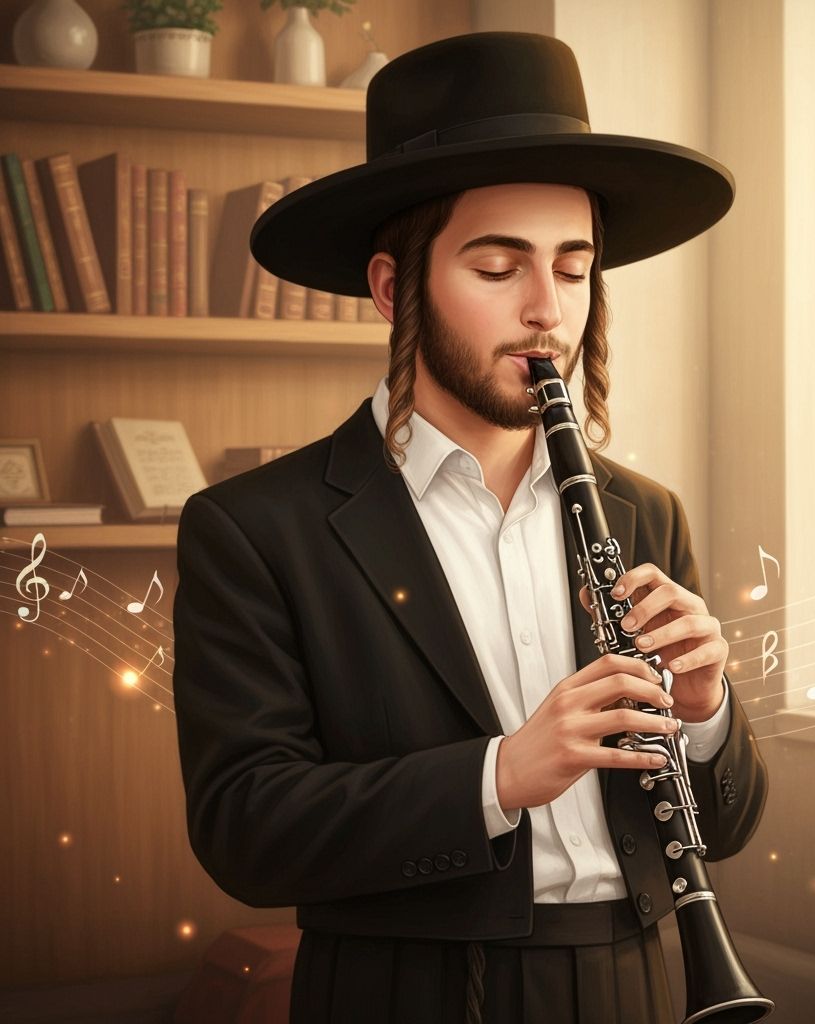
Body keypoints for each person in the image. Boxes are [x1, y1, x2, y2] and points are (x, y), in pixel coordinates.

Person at [172, 31, 768, 1024]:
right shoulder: (253, 529)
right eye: (498, 267)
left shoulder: (642, 511)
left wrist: (702, 714)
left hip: (647, 982)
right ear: (393, 288)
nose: (547, 312)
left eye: (573, 270)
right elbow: (244, 829)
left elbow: (727, 823)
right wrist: (501, 773)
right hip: (400, 989)